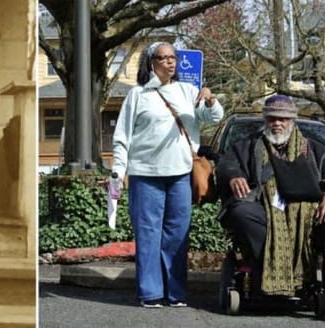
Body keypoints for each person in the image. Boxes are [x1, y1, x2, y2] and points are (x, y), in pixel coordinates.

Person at [215, 94, 325, 324]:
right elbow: (225, 164)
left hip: (308, 215)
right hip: (263, 213)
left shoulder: (314, 149)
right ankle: (267, 275)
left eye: (283, 119)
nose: (277, 123)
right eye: (272, 118)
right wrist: (233, 177)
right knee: (241, 213)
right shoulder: (248, 145)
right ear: (265, 119)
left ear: (292, 121)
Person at [111, 41, 224, 308]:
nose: (170, 62)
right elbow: (122, 137)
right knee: (148, 233)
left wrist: (210, 100)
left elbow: (213, 118)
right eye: (163, 58)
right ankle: (150, 293)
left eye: (173, 57)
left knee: (177, 234)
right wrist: (118, 169)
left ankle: (176, 293)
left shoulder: (188, 90)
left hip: (181, 173)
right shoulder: (137, 95)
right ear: (151, 63)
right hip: (144, 172)